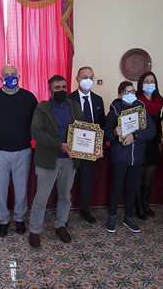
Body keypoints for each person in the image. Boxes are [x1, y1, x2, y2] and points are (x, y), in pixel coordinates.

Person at [0, 65, 38, 237]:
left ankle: (20, 219)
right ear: (0, 79)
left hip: (23, 149)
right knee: (0, 188)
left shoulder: (29, 97)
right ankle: (3, 220)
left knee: (21, 188)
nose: (10, 77)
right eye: (6, 75)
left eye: (13, 74)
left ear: (19, 77)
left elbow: (35, 122)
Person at [28, 75, 84, 248]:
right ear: (50, 90)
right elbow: (36, 131)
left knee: (66, 196)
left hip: (69, 160)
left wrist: (91, 148)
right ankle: (35, 230)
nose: (61, 90)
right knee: (41, 198)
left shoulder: (74, 105)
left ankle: (61, 225)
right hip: (48, 160)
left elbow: (83, 128)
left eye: (64, 87)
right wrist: (58, 145)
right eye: (57, 88)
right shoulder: (42, 108)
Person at [103, 81, 156, 233]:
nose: (131, 95)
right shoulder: (114, 111)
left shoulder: (142, 110)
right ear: (120, 95)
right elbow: (105, 134)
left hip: (137, 156)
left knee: (132, 188)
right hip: (119, 157)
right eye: (127, 92)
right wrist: (114, 132)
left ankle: (128, 217)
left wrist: (135, 135)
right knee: (117, 187)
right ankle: (112, 217)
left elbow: (151, 130)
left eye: (133, 92)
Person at [68, 66, 105, 223]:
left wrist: (100, 146)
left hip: (91, 149)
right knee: (67, 181)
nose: (87, 80)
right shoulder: (69, 99)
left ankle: (85, 210)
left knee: (86, 180)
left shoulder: (98, 100)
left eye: (90, 77)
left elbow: (101, 124)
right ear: (77, 79)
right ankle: (65, 213)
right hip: (71, 148)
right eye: (84, 77)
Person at [134, 71, 163, 220]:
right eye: (146, 81)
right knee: (138, 177)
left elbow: (159, 125)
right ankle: (138, 206)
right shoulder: (135, 100)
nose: (149, 84)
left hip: (153, 143)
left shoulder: (160, 102)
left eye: (152, 81)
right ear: (140, 84)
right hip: (139, 142)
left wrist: (159, 141)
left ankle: (145, 204)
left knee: (149, 177)